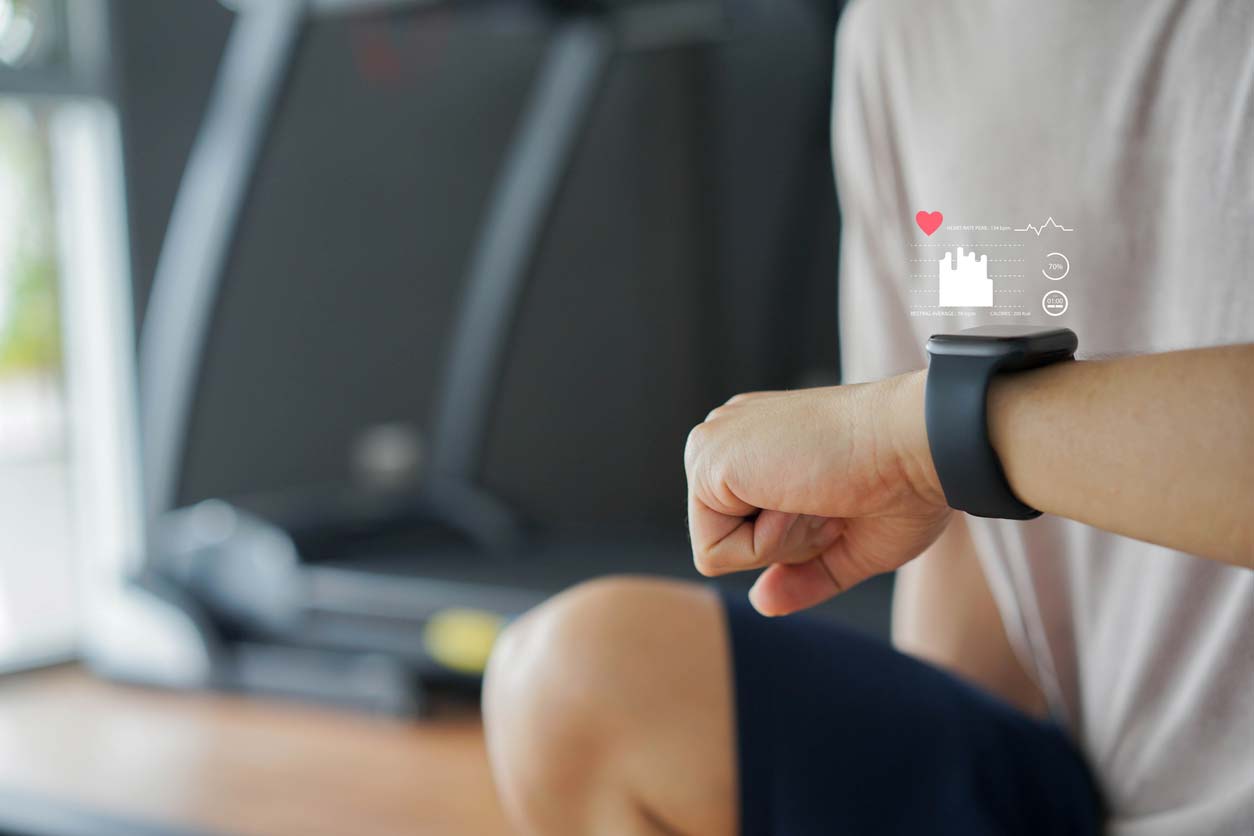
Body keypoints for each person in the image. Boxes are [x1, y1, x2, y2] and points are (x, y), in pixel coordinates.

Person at [481, 1, 1254, 833]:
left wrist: (909, 438)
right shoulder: (901, 32)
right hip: (1108, 792)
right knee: (574, 677)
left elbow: (924, 451)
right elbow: (959, 529)